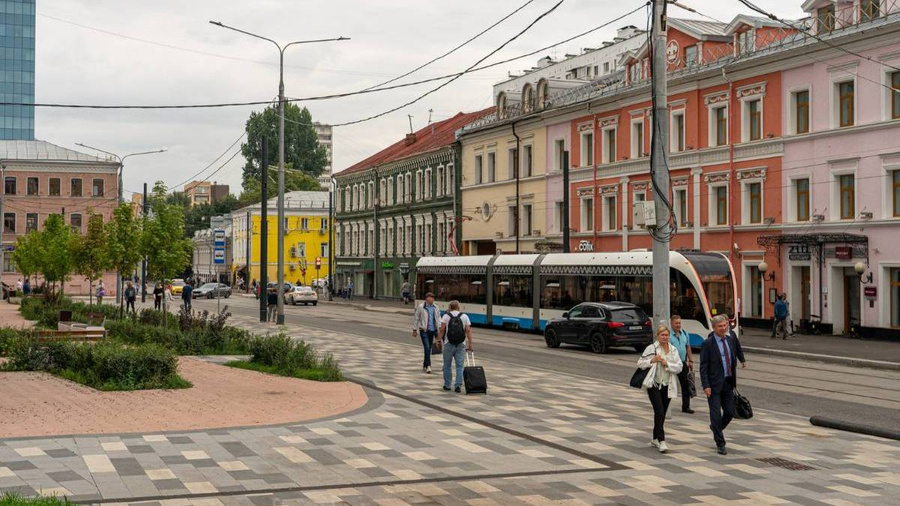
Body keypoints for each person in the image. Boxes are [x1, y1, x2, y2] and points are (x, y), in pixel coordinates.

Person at [700, 315, 747, 455]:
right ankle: (720, 443)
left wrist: (741, 360)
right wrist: (705, 385)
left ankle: (716, 428)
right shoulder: (708, 343)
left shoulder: (730, 339)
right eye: (720, 326)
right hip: (713, 385)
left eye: (724, 325)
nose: (723, 328)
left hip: (728, 383)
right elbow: (703, 366)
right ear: (714, 328)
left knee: (730, 412)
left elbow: (733, 356)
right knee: (715, 414)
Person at [637, 325, 683, 453]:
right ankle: (662, 441)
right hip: (654, 384)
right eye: (662, 335)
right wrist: (652, 360)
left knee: (660, 414)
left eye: (666, 335)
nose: (664, 337)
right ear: (658, 336)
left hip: (667, 385)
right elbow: (640, 363)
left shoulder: (673, 350)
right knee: (660, 412)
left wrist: (667, 364)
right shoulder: (652, 348)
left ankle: (654, 438)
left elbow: (679, 367)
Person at [436, 300, 474, 393]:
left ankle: (447, 385)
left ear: (450, 307)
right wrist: (471, 343)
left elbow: (442, 330)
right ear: (458, 307)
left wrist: (438, 340)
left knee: (447, 365)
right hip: (461, 344)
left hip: (448, 344)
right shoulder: (464, 316)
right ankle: (458, 385)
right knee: (460, 366)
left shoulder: (446, 316)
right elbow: (468, 331)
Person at [670, 315, 695, 414]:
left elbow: (688, 347)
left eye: (679, 323)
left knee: (685, 385)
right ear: (671, 323)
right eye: (676, 323)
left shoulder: (684, 333)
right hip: (671, 363)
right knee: (669, 385)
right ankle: (665, 405)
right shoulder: (668, 335)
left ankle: (686, 406)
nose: (678, 325)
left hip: (682, 363)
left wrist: (691, 360)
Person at [412, 292, 440, 374]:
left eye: (433, 298)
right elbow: (416, 318)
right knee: (427, 348)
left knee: (429, 348)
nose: (432, 299)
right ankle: (428, 366)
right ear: (427, 298)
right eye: (431, 297)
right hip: (424, 330)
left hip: (433, 330)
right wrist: (414, 329)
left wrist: (439, 328)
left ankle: (425, 364)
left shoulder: (435, 307)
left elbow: (438, 318)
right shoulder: (421, 307)